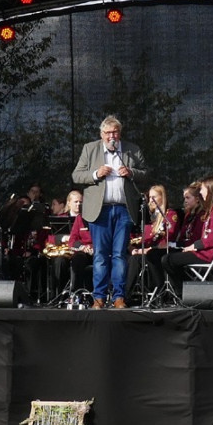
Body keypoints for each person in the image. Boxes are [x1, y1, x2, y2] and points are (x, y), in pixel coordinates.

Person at [71, 115, 147, 309]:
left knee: (120, 254)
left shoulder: (132, 149)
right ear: (101, 134)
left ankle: (119, 297)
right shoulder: (90, 149)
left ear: (119, 134)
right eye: (108, 133)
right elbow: (76, 175)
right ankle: (99, 297)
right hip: (100, 211)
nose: (112, 136)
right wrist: (96, 174)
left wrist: (131, 172)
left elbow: (145, 173)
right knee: (100, 255)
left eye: (115, 132)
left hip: (123, 209)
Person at [161, 174, 213, 299]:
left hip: (209, 254)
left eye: (203, 189)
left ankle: (185, 294)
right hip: (205, 252)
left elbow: (212, 239)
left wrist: (193, 247)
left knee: (168, 260)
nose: (201, 192)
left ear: (210, 190)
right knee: (169, 258)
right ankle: (187, 292)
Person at [126, 184, 181, 299]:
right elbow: (143, 237)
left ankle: (157, 292)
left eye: (154, 197)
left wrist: (146, 249)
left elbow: (167, 237)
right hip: (148, 250)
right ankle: (125, 294)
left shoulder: (170, 214)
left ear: (162, 197)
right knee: (133, 258)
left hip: (162, 251)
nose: (151, 200)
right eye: (149, 197)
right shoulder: (149, 217)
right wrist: (133, 247)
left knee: (147, 256)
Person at [50, 189, 94, 302]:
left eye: (81, 202)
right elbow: (68, 239)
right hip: (74, 251)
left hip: (90, 252)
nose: (79, 204)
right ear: (69, 203)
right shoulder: (71, 218)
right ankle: (66, 294)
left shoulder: (92, 217)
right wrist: (67, 240)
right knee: (64, 261)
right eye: (76, 202)